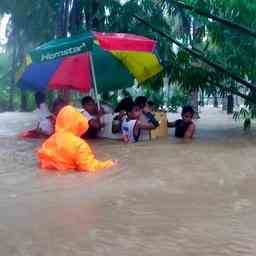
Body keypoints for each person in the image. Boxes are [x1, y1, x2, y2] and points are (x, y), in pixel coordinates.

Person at [37, 105, 116, 172]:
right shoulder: (79, 145)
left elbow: (42, 160)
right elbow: (90, 167)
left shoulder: (49, 141)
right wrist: (109, 163)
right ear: (77, 123)